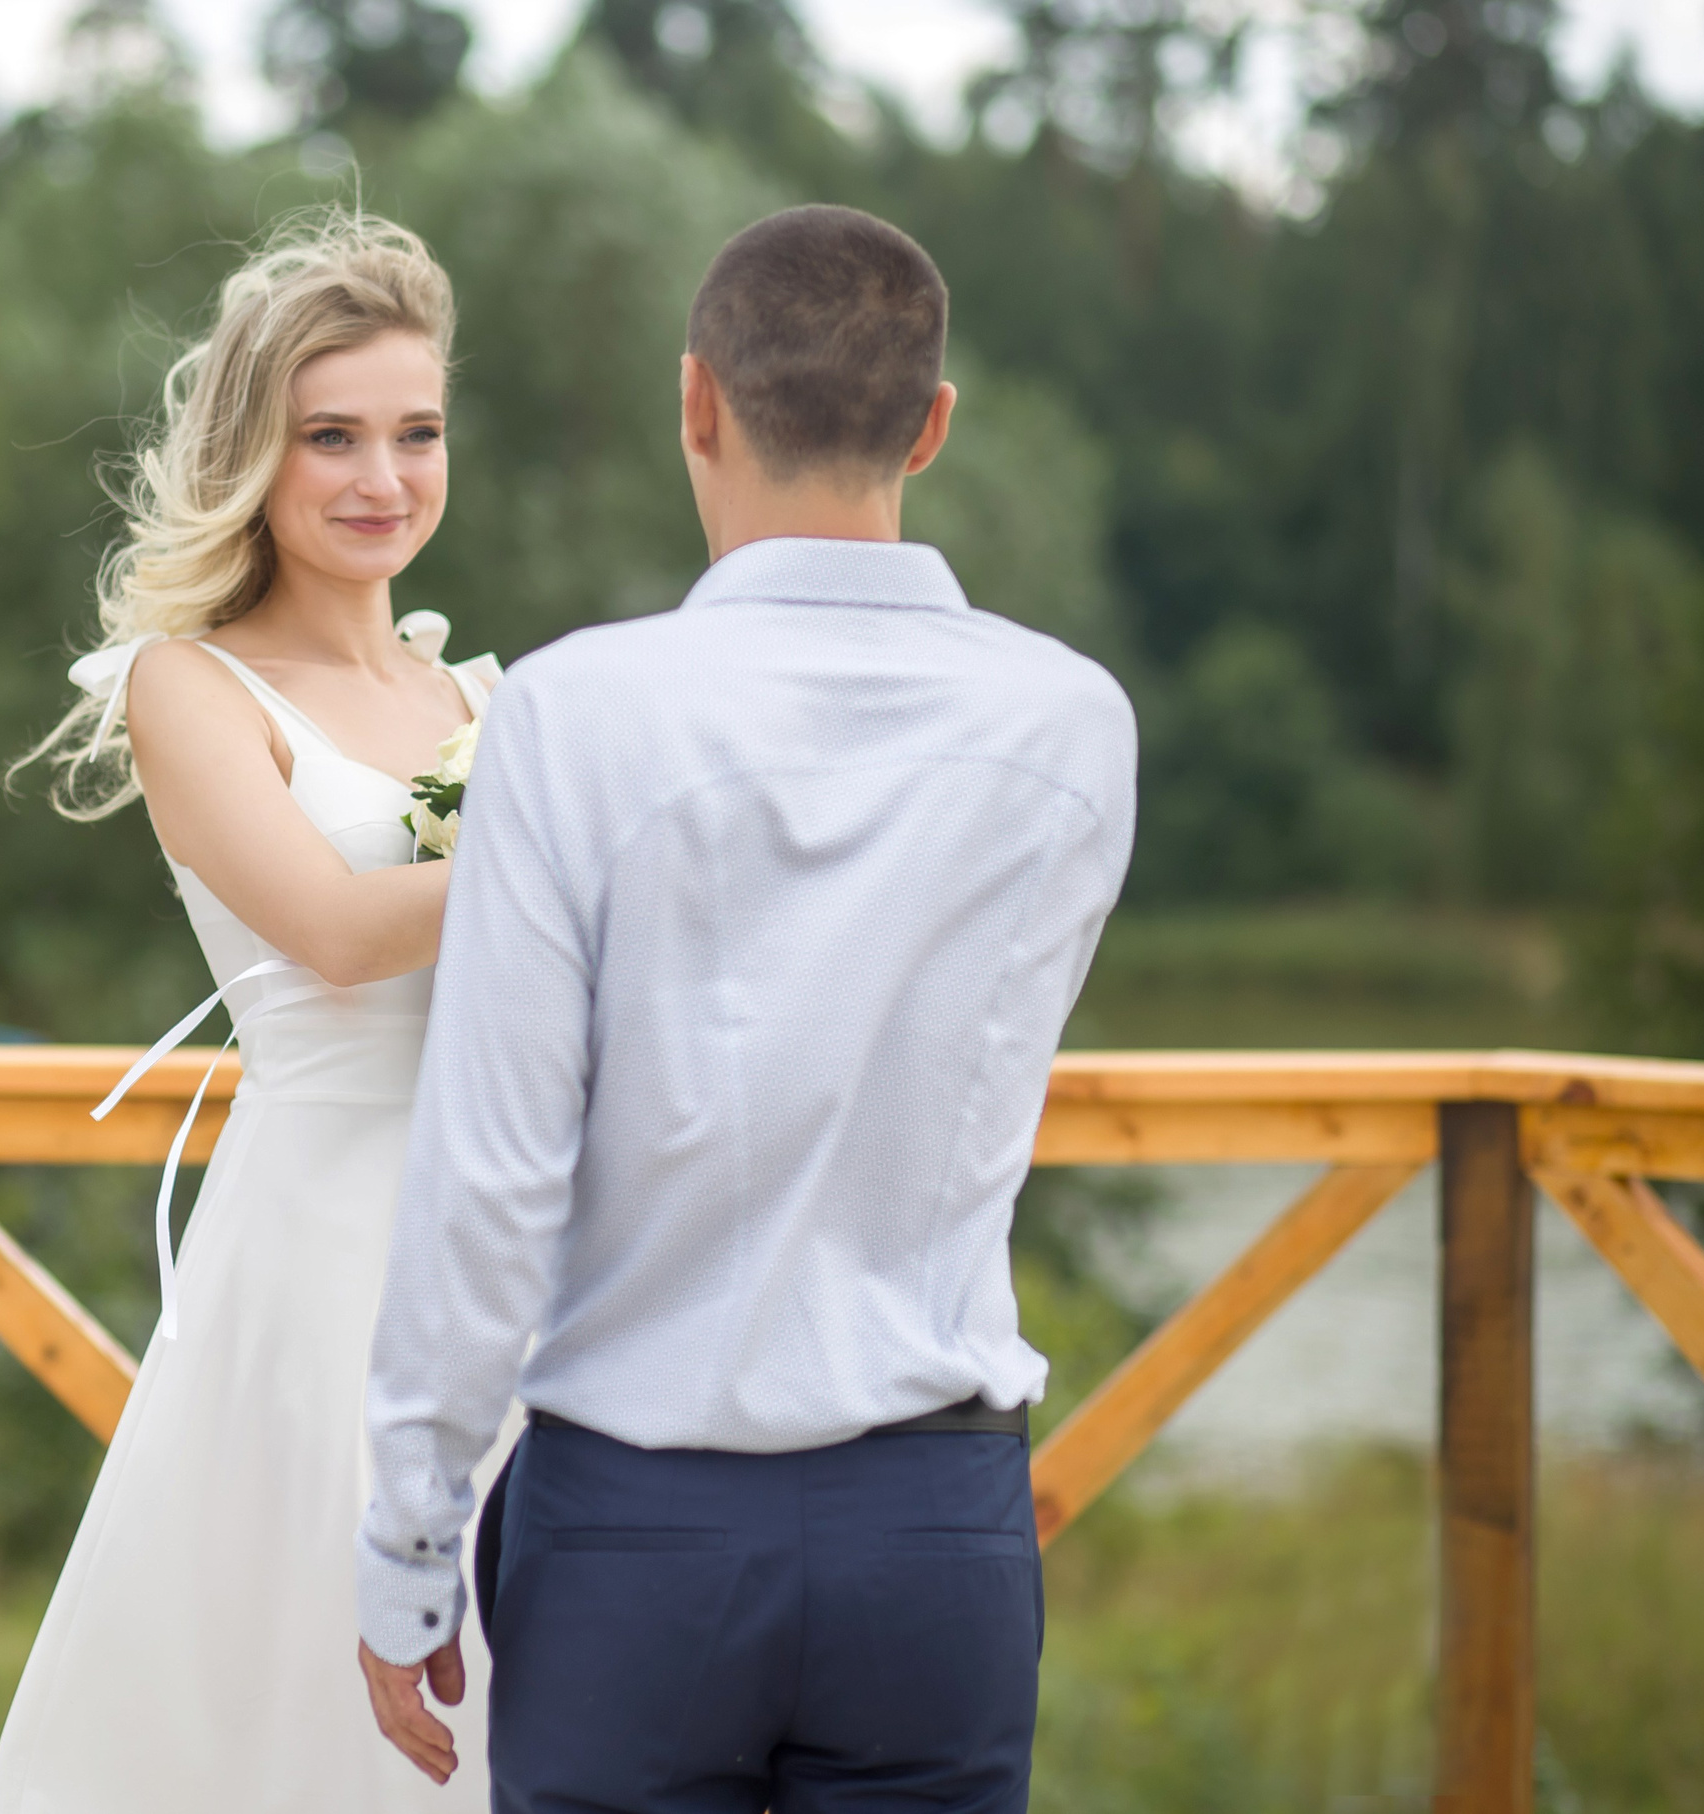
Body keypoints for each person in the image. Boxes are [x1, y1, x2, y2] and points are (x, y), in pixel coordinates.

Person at [355, 204, 1138, 1812]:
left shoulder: (575, 713)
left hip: (636, 1537)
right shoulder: (1078, 723)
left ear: (696, 404)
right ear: (932, 423)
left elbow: (494, 1173)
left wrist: (409, 1538)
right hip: (937, 1534)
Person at [0, 211, 513, 1813]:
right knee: (286, 1698)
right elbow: (345, 935)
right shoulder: (187, 686)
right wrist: (574, 859)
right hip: (321, 1244)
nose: (383, 477)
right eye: (331, 436)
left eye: (415, 433)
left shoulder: (479, 699)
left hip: (504, 1229)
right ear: (253, 455)